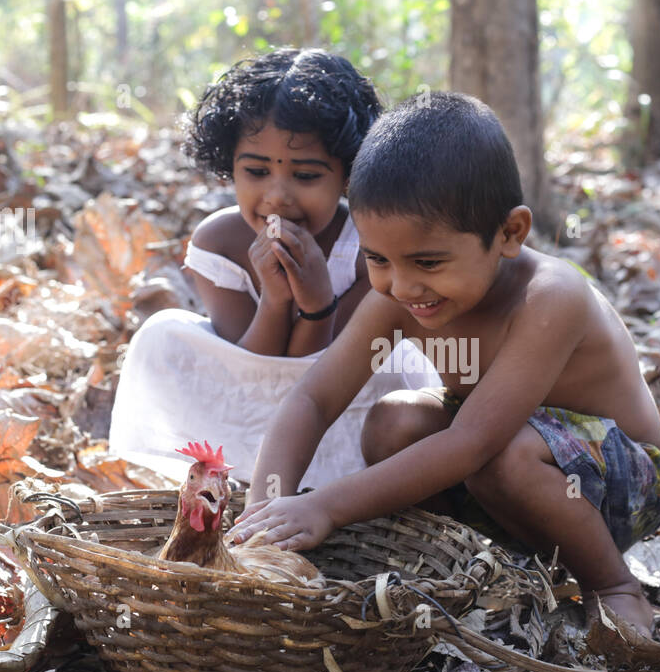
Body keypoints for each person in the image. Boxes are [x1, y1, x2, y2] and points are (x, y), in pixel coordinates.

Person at [226, 91, 660, 645]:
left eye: (429, 262)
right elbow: (314, 399)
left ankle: (613, 585)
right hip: (502, 467)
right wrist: (265, 512)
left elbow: (471, 443)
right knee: (394, 420)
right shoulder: (399, 296)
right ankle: (465, 565)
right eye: (377, 259)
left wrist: (325, 506)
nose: (402, 285)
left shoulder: (551, 296)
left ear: (510, 233)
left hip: (621, 485)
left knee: (504, 453)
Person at [108, 48, 439, 486]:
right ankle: (226, 474)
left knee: (396, 359)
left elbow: (320, 374)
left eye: (305, 177)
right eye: (256, 171)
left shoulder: (365, 244)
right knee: (161, 336)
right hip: (247, 404)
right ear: (230, 168)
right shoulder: (218, 243)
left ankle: (334, 481)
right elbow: (256, 368)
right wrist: (277, 298)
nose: (278, 196)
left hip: (339, 403)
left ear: (348, 176)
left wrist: (319, 303)